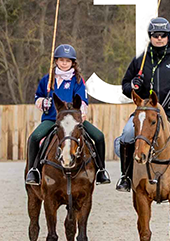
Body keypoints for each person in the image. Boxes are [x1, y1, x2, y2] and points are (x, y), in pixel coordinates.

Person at [115, 17, 170, 193]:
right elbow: (125, 86)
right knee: (126, 135)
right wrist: (134, 85)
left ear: (168, 37)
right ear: (150, 37)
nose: (159, 38)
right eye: (156, 35)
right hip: (147, 112)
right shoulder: (140, 61)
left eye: (163, 35)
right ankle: (125, 177)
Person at [26, 45, 109, 185]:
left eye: (68, 61)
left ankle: (101, 171)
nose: (64, 63)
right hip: (52, 119)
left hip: (74, 121)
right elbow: (37, 97)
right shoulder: (48, 79)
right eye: (61, 60)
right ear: (56, 61)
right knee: (34, 138)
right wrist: (43, 102)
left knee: (99, 136)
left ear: (73, 63)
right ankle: (33, 170)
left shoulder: (77, 80)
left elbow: (82, 100)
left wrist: (81, 114)